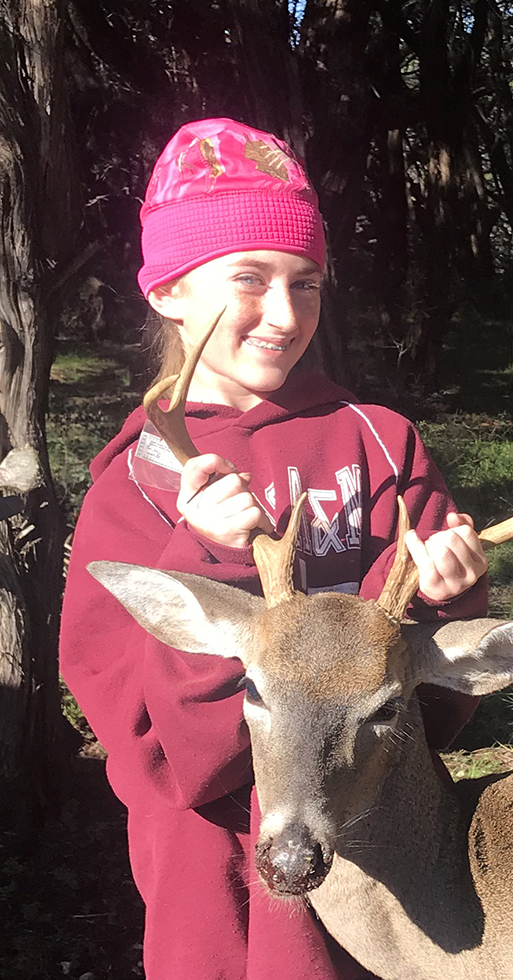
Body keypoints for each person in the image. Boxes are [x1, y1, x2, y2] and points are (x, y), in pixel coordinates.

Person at [59, 117, 488, 980]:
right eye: (249, 280)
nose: (286, 316)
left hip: (374, 867)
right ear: (168, 290)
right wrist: (202, 556)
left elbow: (427, 711)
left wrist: (447, 591)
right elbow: (155, 753)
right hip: (220, 883)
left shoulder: (379, 441)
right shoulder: (135, 485)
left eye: (307, 283)